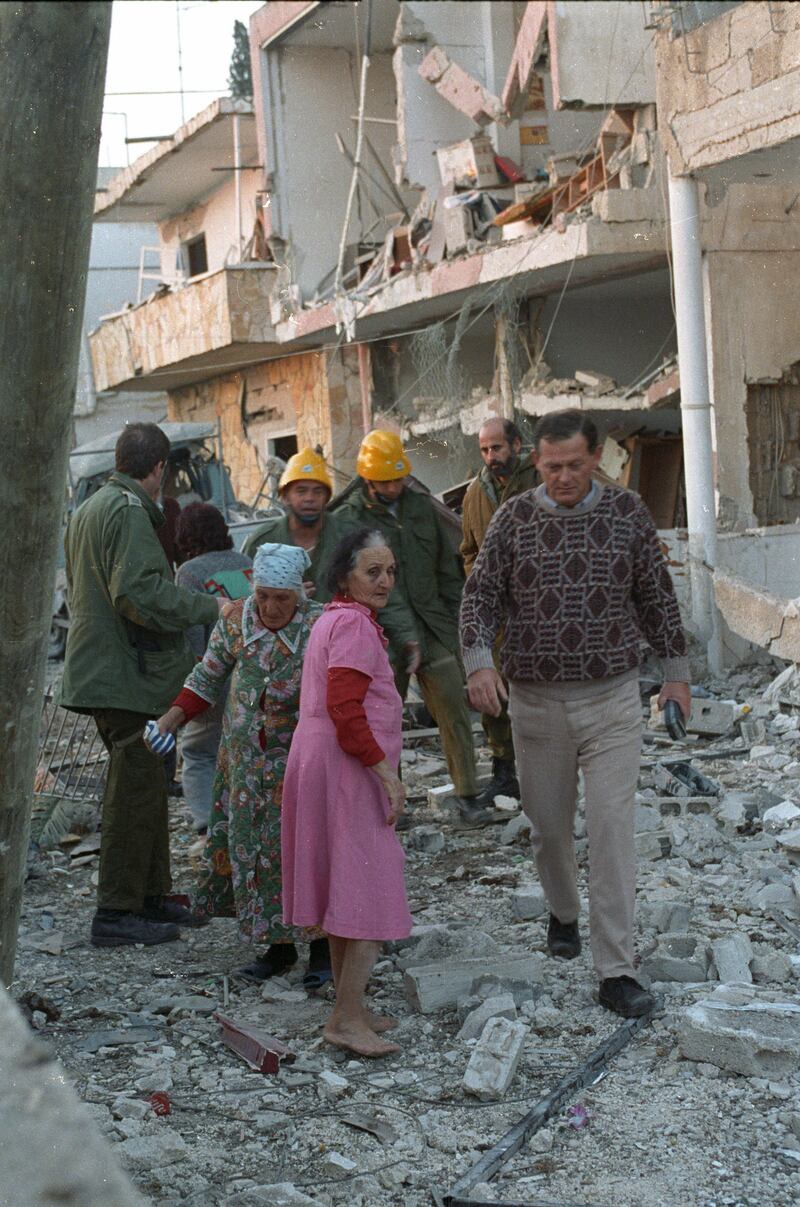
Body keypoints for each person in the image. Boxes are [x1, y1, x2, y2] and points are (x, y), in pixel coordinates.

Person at [460, 409, 691, 1019]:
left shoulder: (627, 513)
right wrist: (479, 661)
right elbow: (480, 594)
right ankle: (563, 912)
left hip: (614, 698)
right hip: (536, 702)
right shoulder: (513, 519)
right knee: (549, 830)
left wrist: (676, 678)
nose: (563, 477)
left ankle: (617, 970)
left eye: (575, 465)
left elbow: (656, 596)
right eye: (552, 465)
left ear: (596, 459)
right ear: (537, 461)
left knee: (613, 833)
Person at [60, 422, 224, 947]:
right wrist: (211, 607)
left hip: (113, 674)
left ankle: (150, 898)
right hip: (125, 677)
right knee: (133, 793)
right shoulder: (128, 512)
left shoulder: (90, 509)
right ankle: (117, 911)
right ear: (157, 469)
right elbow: (140, 595)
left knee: (149, 786)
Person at [156, 543, 331, 989]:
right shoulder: (236, 619)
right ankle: (277, 948)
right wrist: (170, 721)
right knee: (258, 852)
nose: (271, 607)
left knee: (306, 848)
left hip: (303, 760)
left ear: (299, 596)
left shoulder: (323, 625)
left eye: (282, 599)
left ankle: (325, 949)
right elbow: (208, 675)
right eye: (264, 595)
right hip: (248, 766)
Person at [281, 527, 411, 1057]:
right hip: (345, 768)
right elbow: (345, 709)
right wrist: (386, 772)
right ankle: (343, 1019)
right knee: (370, 891)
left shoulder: (331, 620)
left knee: (344, 891)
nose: (384, 581)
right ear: (345, 577)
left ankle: (350, 1008)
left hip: (320, 762)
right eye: (372, 572)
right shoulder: (354, 627)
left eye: (390, 572)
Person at [333, 430, 483, 826]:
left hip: (431, 625)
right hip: (377, 633)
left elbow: (444, 569)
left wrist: (456, 619)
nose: (394, 486)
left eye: (398, 478)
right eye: (385, 481)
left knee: (452, 701)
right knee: (384, 718)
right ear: (368, 479)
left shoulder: (418, 506)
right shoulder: (349, 519)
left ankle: (468, 794)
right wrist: (399, 634)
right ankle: (390, 803)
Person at [460, 417, 538, 806]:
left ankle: (549, 777)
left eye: (498, 448)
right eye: (485, 450)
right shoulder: (475, 493)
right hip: (496, 615)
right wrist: (482, 580)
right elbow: (468, 552)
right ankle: (504, 773)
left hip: (540, 611)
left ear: (517, 445)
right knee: (495, 697)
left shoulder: (541, 481)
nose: (492, 457)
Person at [173, 502, 253, 836]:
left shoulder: (189, 572)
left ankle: (207, 821)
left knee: (198, 750)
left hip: (216, 674)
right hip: (253, 671)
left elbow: (192, 634)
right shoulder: (247, 564)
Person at [242, 448, 341, 599]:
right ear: (285, 497)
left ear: (327, 497)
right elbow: (245, 599)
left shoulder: (346, 535)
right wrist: (285, 595)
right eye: (301, 491)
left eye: (318, 491)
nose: (309, 498)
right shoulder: (262, 542)